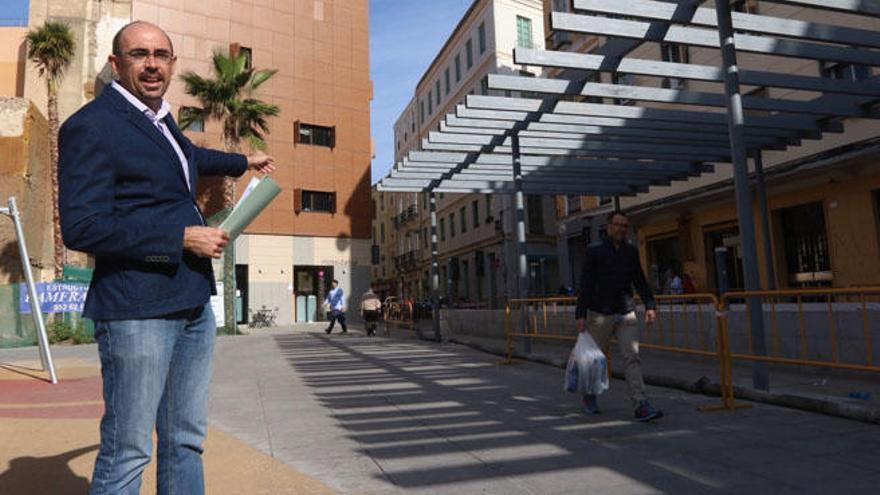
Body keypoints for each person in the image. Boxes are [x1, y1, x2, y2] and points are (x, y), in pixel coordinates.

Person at [58, 21, 275, 494]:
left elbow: (187, 160)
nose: (152, 64)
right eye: (139, 54)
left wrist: (243, 162)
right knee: (128, 450)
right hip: (137, 309)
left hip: (191, 301)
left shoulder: (162, 122)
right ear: (117, 64)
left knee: (184, 441)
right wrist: (179, 237)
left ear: (173, 63)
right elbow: (82, 227)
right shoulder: (91, 127)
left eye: (161, 54)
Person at [575, 211, 663, 422]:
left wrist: (650, 304)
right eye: (617, 225)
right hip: (599, 313)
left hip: (625, 312)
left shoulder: (631, 252)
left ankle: (640, 404)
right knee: (594, 359)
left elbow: (640, 280)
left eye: (625, 225)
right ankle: (590, 394)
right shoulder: (594, 251)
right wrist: (580, 313)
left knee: (632, 357)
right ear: (608, 227)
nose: (621, 229)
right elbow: (585, 284)